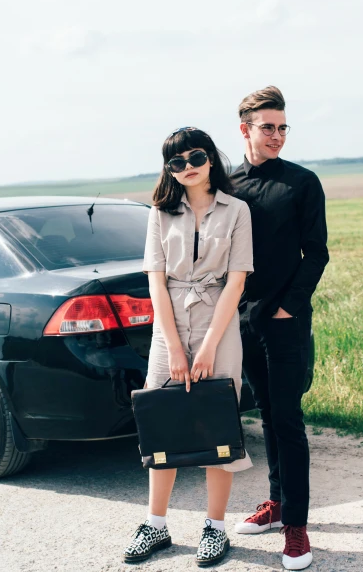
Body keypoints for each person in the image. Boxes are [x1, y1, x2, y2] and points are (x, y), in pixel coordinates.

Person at [124, 127, 254, 568]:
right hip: (170, 326)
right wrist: (175, 348)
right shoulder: (159, 215)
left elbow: (236, 281)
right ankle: (155, 525)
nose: (187, 167)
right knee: (163, 422)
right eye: (176, 163)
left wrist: (208, 347)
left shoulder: (237, 211)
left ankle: (215, 529)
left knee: (218, 424)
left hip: (219, 322)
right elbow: (155, 283)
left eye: (194, 157)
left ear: (211, 157)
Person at [229, 86, 329, 571]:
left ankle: (297, 527)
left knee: (288, 418)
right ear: (244, 129)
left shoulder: (302, 183)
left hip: (286, 322)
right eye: (268, 127)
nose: (277, 136)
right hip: (241, 320)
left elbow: (318, 252)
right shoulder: (226, 185)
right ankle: (276, 504)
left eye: (283, 127)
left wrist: (289, 306)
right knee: (265, 413)